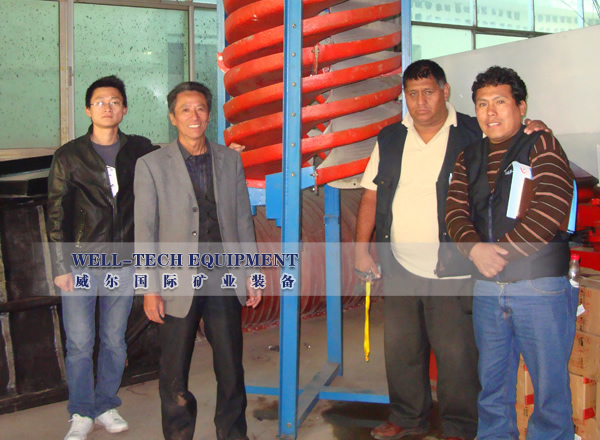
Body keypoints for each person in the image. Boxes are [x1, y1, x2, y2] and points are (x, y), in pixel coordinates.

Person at [354, 60, 548, 440]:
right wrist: (361, 250)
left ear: (444, 91)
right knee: (401, 349)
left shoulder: (474, 132)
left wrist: (535, 128)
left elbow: (513, 137)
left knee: (457, 353)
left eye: (428, 92)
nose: (420, 101)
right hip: (399, 264)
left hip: (454, 265)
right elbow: (371, 195)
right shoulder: (390, 138)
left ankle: (459, 426)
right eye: (412, 94)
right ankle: (408, 417)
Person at [445, 66, 576, 440]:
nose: (490, 112)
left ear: (521, 107)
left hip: (538, 285)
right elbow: (454, 211)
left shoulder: (541, 144)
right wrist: (474, 249)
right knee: (492, 388)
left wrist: (498, 254)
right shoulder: (468, 156)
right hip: (488, 288)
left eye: (500, 102)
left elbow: (551, 205)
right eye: (482, 104)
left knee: (549, 392)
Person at [134, 81, 262, 440]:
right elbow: (144, 230)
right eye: (185, 110)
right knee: (174, 370)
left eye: (201, 108)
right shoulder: (151, 165)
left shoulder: (229, 160)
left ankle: (233, 433)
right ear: (173, 117)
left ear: (209, 114)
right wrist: (149, 288)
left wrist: (251, 273)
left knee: (230, 366)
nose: (194, 116)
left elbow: (242, 220)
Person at [47, 75, 158, 440]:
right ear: (87, 109)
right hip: (80, 263)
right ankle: (81, 411)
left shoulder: (139, 149)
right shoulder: (69, 156)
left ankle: (106, 405)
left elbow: (177, 162)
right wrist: (60, 267)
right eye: (99, 102)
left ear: (124, 109)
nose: (107, 107)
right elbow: (56, 214)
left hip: (123, 264)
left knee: (114, 339)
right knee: (80, 342)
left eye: (114, 102)